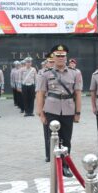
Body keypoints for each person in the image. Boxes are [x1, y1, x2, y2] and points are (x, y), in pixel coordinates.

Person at [36, 44, 83, 177]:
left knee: (66, 140)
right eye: (58, 55)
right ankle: (55, 166)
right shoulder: (46, 74)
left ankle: (65, 165)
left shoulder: (75, 73)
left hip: (68, 110)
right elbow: (40, 94)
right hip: (51, 110)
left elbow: (78, 94)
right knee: (53, 140)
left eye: (63, 56)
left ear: (66, 57)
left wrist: (78, 112)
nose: (61, 58)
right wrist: (41, 113)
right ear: (53, 57)